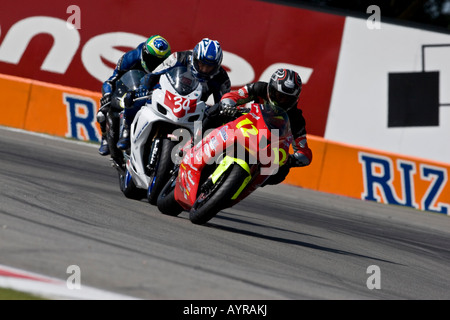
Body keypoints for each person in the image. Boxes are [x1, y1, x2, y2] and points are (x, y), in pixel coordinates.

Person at [117, 38, 231, 150]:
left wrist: (220, 111)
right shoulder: (180, 57)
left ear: (217, 65)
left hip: (195, 108)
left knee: (214, 128)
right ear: (195, 58)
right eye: (202, 64)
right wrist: (144, 87)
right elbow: (154, 74)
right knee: (134, 98)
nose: (204, 69)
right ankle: (126, 129)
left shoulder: (222, 77)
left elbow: (223, 101)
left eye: (209, 67)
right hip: (168, 94)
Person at [210, 68, 312, 185]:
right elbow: (233, 96)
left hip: (266, 148)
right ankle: (196, 142)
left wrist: (291, 159)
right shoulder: (259, 88)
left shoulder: (296, 118)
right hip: (245, 126)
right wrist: (228, 106)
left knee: (282, 171)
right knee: (215, 111)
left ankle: (248, 183)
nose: (281, 101)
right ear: (271, 89)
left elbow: (305, 153)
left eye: (287, 99)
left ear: (295, 99)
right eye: (278, 95)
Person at [97, 35, 172, 156]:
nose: (155, 64)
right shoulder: (130, 57)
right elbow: (111, 81)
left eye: (159, 62)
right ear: (144, 53)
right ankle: (105, 137)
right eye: (152, 60)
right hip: (127, 89)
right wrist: (107, 94)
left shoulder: (168, 65)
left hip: (150, 93)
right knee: (103, 110)